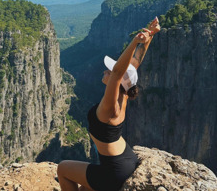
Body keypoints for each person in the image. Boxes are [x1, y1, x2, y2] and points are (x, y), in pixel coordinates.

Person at [57, 17, 161, 191]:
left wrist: (135, 40)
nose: (106, 71)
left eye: (110, 70)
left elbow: (119, 71)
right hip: (126, 158)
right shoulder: (126, 94)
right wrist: (150, 36)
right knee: (84, 187)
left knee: (63, 168)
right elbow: (135, 62)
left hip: (115, 171)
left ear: (118, 81)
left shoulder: (110, 107)